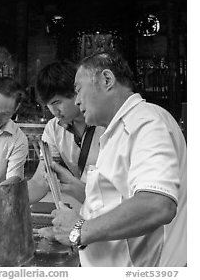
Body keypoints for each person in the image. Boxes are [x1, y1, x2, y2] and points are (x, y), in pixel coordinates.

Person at [51, 49, 186, 267]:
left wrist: (78, 230)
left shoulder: (145, 122)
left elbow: (157, 204)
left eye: (78, 90)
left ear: (106, 79)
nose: (76, 101)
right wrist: (81, 213)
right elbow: (118, 200)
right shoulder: (118, 130)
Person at [28, 61, 105, 206]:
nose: (54, 111)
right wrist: (9, 202)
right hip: (84, 208)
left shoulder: (105, 123)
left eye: (57, 102)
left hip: (112, 207)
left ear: (76, 92)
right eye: (49, 105)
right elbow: (41, 180)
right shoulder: (53, 128)